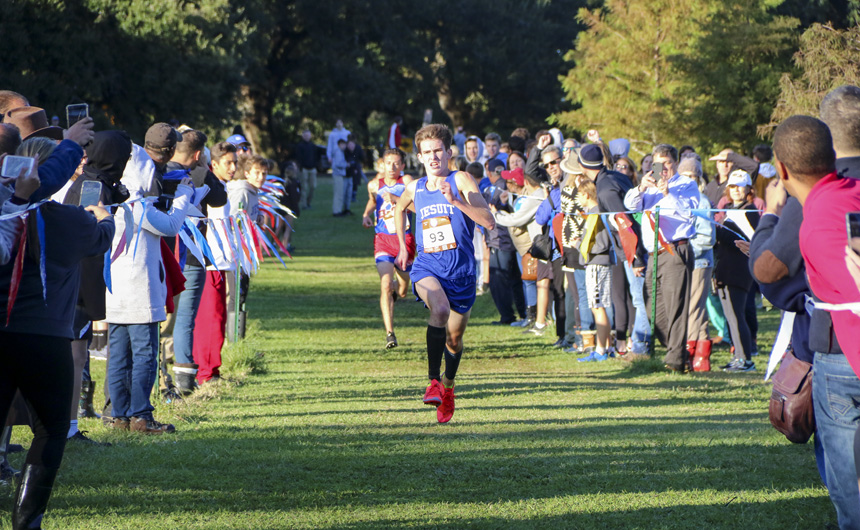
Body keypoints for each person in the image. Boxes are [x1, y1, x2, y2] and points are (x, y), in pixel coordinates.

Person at [0, 144, 114, 529]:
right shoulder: (68, 219)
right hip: (45, 337)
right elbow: (101, 237)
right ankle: (27, 521)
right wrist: (105, 217)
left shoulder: (6, 213)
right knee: (51, 429)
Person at [393, 124, 495, 424]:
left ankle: (448, 387)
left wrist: (456, 202)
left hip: (461, 273)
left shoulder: (460, 180)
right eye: (427, 152)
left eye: (438, 150)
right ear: (419, 157)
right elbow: (399, 208)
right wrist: (403, 246)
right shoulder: (415, 188)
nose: (433, 157)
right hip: (427, 267)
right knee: (438, 309)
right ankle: (433, 381)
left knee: (454, 339)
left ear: (449, 152)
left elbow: (488, 221)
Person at [624, 144, 700, 371]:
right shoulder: (649, 188)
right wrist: (641, 187)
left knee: (676, 306)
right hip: (652, 254)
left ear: (675, 163)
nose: (663, 168)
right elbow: (630, 205)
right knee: (652, 310)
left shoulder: (685, 184)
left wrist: (668, 193)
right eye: (658, 164)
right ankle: (678, 351)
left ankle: (675, 361)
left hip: (675, 250)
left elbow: (687, 211)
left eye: (667, 163)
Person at [361, 148, 415, 349]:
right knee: (385, 284)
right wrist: (366, 214)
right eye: (388, 163)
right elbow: (373, 201)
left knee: (402, 290)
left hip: (404, 240)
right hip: (382, 239)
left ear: (402, 166)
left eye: (396, 163)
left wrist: (397, 200)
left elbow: (418, 207)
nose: (391, 167)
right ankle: (390, 334)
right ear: (381, 165)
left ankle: (399, 287)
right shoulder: (374, 185)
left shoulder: (407, 182)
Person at [713, 170, 760, 372]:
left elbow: (743, 239)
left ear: (749, 189)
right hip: (725, 269)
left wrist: (715, 231)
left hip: (739, 270)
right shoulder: (731, 209)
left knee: (737, 315)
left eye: (740, 186)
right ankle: (738, 357)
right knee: (730, 317)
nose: (736, 190)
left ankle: (746, 359)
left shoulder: (750, 211)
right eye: (732, 186)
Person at [576, 179, 615, 361]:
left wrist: (578, 244)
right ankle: (606, 347)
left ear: (586, 194)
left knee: (597, 306)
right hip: (595, 263)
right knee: (597, 306)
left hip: (597, 264)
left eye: (578, 194)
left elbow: (601, 243)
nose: (577, 198)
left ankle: (600, 350)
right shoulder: (593, 213)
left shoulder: (597, 213)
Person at [295, 129, 317, 210]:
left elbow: (316, 156)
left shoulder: (313, 146)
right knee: (304, 187)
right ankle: (304, 205)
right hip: (304, 169)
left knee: (313, 186)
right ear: (303, 136)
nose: (307, 137)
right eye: (305, 135)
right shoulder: (300, 146)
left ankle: (308, 202)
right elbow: (298, 157)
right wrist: (300, 167)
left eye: (308, 135)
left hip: (312, 169)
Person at [331, 138, 350, 216]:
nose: (344, 146)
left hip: (339, 174)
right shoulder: (338, 152)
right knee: (338, 194)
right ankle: (336, 211)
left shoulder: (339, 152)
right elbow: (338, 164)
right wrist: (346, 164)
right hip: (338, 174)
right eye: (342, 144)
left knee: (339, 193)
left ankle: (338, 210)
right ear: (339, 145)